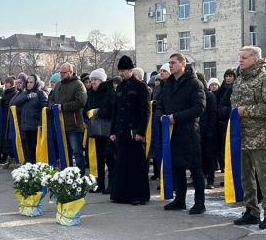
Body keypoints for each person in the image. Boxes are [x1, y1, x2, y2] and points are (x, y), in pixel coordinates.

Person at [231, 46, 266, 229]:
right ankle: (251, 211)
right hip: (242, 136)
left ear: (255, 59)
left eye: (244, 58)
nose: (241, 61)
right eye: (240, 57)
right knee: (246, 177)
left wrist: (248, 111)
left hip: (261, 137)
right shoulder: (239, 80)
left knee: (265, 177)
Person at [155, 54, 206, 213]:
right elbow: (159, 105)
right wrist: (161, 117)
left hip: (189, 132)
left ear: (183, 64)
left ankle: (199, 203)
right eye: (169, 63)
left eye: (173, 63)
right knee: (177, 167)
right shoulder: (168, 84)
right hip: (170, 133)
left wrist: (175, 118)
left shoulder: (194, 83)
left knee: (195, 168)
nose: (170, 66)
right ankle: (180, 200)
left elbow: (199, 108)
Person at [110, 55, 150, 205]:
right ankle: (121, 194)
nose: (121, 73)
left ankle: (138, 195)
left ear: (131, 70)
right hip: (121, 132)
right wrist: (112, 131)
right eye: (120, 70)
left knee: (136, 165)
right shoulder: (119, 87)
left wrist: (141, 132)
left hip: (134, 132)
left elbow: (145, 111)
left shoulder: (141, 87)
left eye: (124, 70)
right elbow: (116, 111)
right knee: (122, 164)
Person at [49, 63, 87, 174]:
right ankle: (67, 175)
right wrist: (53, 107)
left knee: (77, 153)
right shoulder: (58, 85)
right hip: (60, 126)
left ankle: (80, 177)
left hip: (74, 125)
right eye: (60, 72)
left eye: (63, 73)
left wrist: (63, 107)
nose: (61, 74)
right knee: (64, 153)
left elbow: (81, 102)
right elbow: (51, 99)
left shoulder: (78, 85)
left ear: (70, 72)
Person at [85, 68, 115, 194]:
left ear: (101, 80)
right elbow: (86, 108)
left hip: (107, 130)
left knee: (109, 158)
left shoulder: (109, 92)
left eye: (95, 79)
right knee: (98, 159)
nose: (92, 82)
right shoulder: (91, 93)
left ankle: (112, 185)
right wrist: (86, 114)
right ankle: (100, 184)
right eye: (91, 80)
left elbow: (111, 110)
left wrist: (98, 112)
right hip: (95, 130)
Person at [11, 74, 47, 164]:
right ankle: (29, 166)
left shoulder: (40, 93)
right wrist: (28, 97)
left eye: (31, 82)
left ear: (36, 83)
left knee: (35, 148)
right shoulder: (25, 93)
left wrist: (40, 123)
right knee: (27, 149)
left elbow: (45, 108)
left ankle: (35, 166)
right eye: (28, 82)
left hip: (36, 126)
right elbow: (15, 103)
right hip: (25, 125)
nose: (29, 84)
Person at [197, 73, 218, 189]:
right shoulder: (195, 94)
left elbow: (212, 113)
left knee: (209, 156)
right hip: (197, 129)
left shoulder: (209, 96)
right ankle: (199, 178)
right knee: (198, 156)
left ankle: (210, 180)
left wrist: (210, 129)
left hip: (208, 130)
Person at [0, 76, 17, 168]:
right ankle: (9, 159)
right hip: (4, 119)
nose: (6, 84)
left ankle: (13, 159)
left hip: (10, 118)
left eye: (8, 83)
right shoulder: (4, 93)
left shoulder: (14, 93)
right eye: (5, 82)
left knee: (10, 140)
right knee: (5, 139)